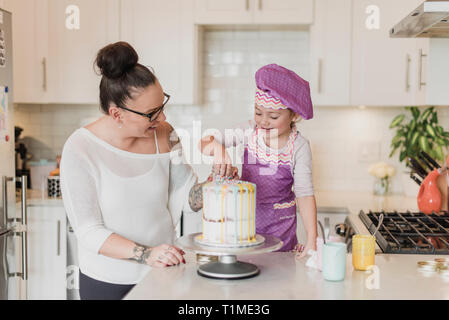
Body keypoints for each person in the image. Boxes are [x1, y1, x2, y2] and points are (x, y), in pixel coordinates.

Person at [60, 42, 207, 300]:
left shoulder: (165, 134)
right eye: (152, 113)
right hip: (107, 282)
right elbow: (88, 231)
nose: (161, 119)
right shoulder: (81, 148)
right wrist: (147, 254)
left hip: (162, 276)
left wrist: (215, 186)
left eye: (162, 107)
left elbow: (186, 197)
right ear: (117, 114)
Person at [199, 64, 317, 257]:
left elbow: (304, 194)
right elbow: (204, 141)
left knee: (278, 279)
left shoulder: (299, 147)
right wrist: (218, 150)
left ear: (294, 115)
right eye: (258, 112)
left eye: (273, 116)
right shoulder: (248, 131)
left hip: (282, 231)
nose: (263, 121)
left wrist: (312, 238)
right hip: (246, 225)